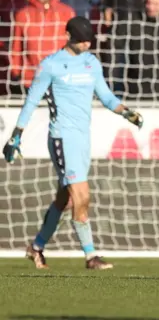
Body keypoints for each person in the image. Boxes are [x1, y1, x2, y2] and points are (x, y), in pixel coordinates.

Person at [2, 16, 143, 270]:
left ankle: (36, 247)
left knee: (65, 199)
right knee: (82, 194)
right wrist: (16, 135)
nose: (87, 45)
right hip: (62, 138)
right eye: (81, 41)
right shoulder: (51, 65)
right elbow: (32, 101)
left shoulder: (91, 63)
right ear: (68, 37)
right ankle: (90, 256)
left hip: (82, 138)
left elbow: (107, 96)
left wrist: (127, 112)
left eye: (89, 41)